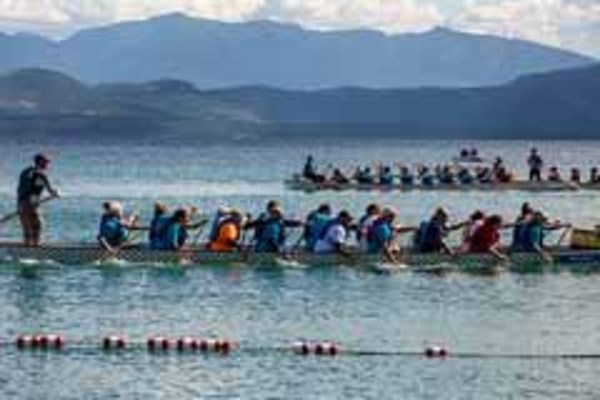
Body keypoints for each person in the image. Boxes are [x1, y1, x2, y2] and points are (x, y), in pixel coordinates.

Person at [17, 153, 60, 246]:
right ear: (40, 162)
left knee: (27, 229)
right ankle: (36, 249)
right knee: (37, 226)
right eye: (45, 162)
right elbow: (49, 190)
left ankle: (26, 249)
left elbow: (22, 189)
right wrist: (55, 193)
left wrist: (21, 204)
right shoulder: (41, 175)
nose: (47, 165)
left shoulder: (26, 172)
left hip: (21, 203)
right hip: (31, 205)